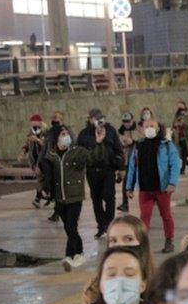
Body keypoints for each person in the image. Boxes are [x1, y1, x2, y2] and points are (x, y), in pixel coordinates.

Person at [39, 124, 109, 271]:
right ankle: (74, 254)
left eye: (67, 133)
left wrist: (99, 142)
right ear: (55, 138)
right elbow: (45, 176)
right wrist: (44, 190)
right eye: (62, 134)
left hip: (74, 196)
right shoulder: (51, 156)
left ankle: (74, 254)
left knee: (71, 226)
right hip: (59, 198)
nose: (66, 136)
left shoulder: (78, 152)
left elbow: (94, 158)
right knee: (68, 227)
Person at [125, 116, 180, 254]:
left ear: (158, 128)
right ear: (143, 129)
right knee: (144, 217)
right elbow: (132, 167)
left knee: (166, 215)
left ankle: (169, 241)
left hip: (163, 189)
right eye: (146, 126)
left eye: (152, 126)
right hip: (145, 189)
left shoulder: (167, 145)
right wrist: (129, 187)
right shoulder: (138, 145)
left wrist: (172, 182)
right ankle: (142, 245)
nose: (149, 128)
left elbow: (175, 164)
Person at [83, 215, 155, 304]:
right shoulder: (93, 289)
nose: (120, 245)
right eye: (113, 240)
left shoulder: (160, 286)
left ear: (142, 244)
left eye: (128, 239)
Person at [77, 109, 124, 239]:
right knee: (96, 199)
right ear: (90, 119)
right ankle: (101, 225)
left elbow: (118, 148)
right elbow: (80, 151)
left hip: (108, 169)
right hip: (92, 170)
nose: (99, 120)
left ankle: (109, 225)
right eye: (96, 118)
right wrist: (97, 141)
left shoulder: (110, 130)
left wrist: (121, 168)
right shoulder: (84, 133)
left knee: (109, 198)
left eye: (101, 117)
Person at [22, 113, 46, 208]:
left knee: (41, 179)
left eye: (34, 122)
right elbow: (27, 145)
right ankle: (41, 196)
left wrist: (36, 139)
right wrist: (22, 152)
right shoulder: (30, 133)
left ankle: (38, 198)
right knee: (40, 179)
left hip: (44, 160)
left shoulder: (45, 132)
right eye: (31, 122)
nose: (32, 124)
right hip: (34, 161)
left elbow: (46, 145)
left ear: (39, 122)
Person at [117, 112, 139, 213]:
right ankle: (125, 203)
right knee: (126, 182)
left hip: (138, 160)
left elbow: (142, 139)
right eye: (124, 121)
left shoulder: (138, 129)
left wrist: (133, 141)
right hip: (126, 160)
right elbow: (119, 145)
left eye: (128, 121)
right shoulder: (120, 132)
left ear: (132, 120)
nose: (126, 123)